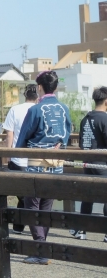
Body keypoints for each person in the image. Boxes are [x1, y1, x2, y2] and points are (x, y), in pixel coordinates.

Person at [15, 70, 71, 265]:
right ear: (54, 88)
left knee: (32, 205)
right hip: (56, 163)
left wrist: (20, 149)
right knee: (46, 205)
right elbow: (67, 133)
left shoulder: (36, 110)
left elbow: (22, 138)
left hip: (37, 161)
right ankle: (42, 248)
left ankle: (41, 250)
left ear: (39, 88)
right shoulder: (64, 108)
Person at [3, 84, 38, 234]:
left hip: (18, 159)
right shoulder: (39, 109)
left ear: (25, 95)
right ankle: (33, 226)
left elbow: (9, 134)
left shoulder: (15, 109)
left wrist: (8, 154)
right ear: (38, 96)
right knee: (28, 195)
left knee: (24, 194)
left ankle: (19, 225)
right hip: (36, 158)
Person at [73, 86, 107, 242]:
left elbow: (81, 143)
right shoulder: (105, 119)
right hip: (102, 164)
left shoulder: (85, 118)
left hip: (87, 163)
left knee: (87, 197)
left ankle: (82, 230)